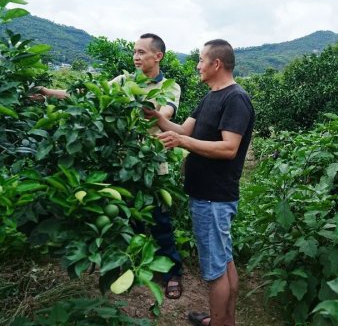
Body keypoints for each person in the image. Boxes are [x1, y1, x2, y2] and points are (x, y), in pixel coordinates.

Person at [37, 33, 185, 299]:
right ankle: (134, 266)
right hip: (122, 163)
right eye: (134, 52)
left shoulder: (169, 86)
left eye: (141, 52)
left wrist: (142, 108)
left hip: (152, 165)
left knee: (160, 222)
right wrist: (50, 93)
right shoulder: (124, 81)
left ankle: (173, 272)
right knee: (128, 218)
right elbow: (86, 94)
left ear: (158, 56)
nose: (136, 57)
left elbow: (164, 114)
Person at [144, 39, 255, 326]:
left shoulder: (235, 99)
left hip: (214, 198)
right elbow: (183, 129)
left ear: (216, 63)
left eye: (201, 60)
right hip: (205, 195)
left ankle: (219, 322)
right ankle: (225, 321)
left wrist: (182, 142)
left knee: (215, 271)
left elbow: (229, 148)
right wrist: (156, 117)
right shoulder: (210, 97)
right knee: (224, 261)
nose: (197, 65)